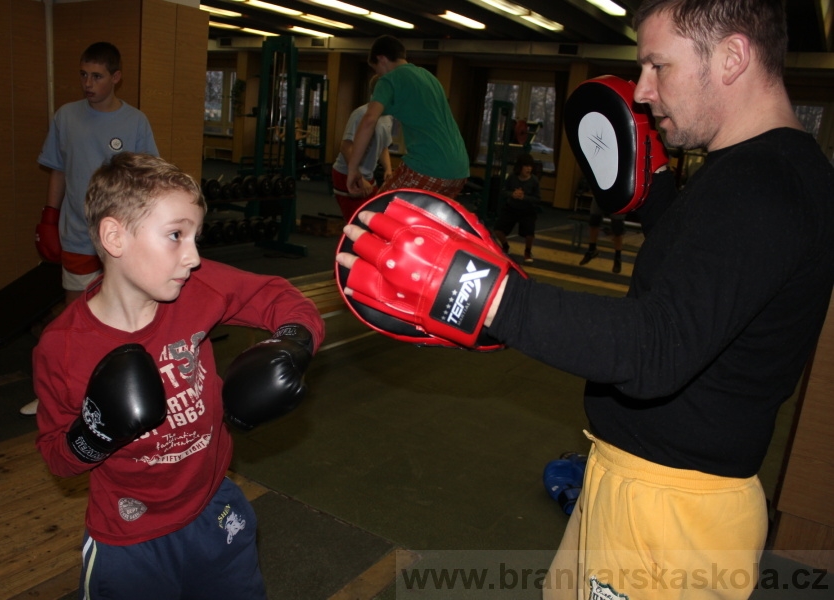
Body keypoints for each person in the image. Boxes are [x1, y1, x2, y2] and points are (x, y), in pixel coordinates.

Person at [335, 1, 834, 598]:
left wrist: (491, 298)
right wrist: (653, 199)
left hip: (671, 515)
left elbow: (658, 348)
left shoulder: (766, 186)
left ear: (731, 57)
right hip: (639, 485)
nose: (642, 91)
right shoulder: (753, 171)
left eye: (658, 66)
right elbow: (712, 286)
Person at [33, 152, 324, 599]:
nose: (193, 257)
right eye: (175, 235)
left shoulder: (196, 290)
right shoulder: (64, 348)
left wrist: (291, 344)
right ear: (115, 237)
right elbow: (57, 456)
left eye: (195, 237)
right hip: (130, 537)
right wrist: (95, 434)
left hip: (214, 508)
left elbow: (281, 298)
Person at [26, 41, 159, 416]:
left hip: (121, 240)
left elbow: (146, 180)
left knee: (123, 314)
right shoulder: (66, 116)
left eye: (97, 76)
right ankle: (62, 393)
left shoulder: (135, 122)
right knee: (75, 317)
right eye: (84, 75)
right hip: (77, 234)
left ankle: (119, 389)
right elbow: (58, 170)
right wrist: (49, 216)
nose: (88, 83)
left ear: (116, 78)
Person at [346, 35, 469, 199]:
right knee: (422, 214)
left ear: (381, 59)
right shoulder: (428, 77)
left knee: (379, 207)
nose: (378, 75)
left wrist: (353, 169)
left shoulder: (389, 79)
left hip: (429, 166)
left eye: (376, 69)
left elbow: (369, 120)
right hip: (459, 170)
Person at [331, 76, 394, 222]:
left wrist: (388, 169)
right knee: (358, 222)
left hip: (367, 174)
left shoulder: (388, 117)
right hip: (346, 173)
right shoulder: (361, 114)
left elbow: (383, 146)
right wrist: (358, 175)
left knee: (376, 215)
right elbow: (346, 147)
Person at [493, 153, 541, 264]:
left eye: (530, 166)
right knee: (498, 229)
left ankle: (527, 251)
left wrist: (524, 197)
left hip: (527, 210)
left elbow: (538, 199)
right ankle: (505, 246)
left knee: (529, 233)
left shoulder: (534, 180)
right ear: (520, 167)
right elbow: (503, 191)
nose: (529, 169)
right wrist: (512, 194)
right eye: (526, 166)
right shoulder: (512, 177)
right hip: (511, 207)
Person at [578, 198, 626, 274]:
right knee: (594, 220)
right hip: (600, 195)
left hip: (617, 197)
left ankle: (618, 257)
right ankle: (592, 250)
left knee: (617, 227)